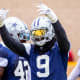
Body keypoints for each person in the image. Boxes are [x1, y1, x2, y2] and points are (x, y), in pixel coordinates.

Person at [0, 3, 70, 80]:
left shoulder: (59, 49)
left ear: (50, 31)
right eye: (35, 33)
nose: (37, 36)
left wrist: (55, 21)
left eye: (40, 32)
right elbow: (11, 44)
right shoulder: (31, 50)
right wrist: (2, 26)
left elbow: (63, 39)